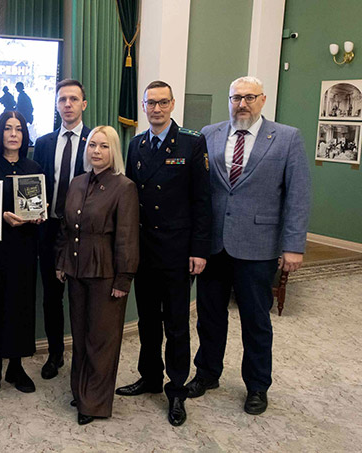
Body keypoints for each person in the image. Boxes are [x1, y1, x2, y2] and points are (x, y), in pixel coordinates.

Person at [187, 76, 311, 415]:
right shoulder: (209, 134)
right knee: (209, 316)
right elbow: (200, 191)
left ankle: (257, 385)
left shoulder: (287, 138)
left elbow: (298, 196)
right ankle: (207, 373)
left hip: (259, 246)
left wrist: (294, 246)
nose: (242, 104)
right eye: (236, 97)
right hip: (214, 244)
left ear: (263, 99)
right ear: (229, 100)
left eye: (250, 97)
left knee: (256, 321)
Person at [116, 80, 211, 427]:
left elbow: (202, 201)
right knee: (147, 320)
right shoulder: (137, 144)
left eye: (162, 102)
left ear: (172, 105)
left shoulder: (191, 142)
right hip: (144, 250)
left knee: (176, 324)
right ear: (143, 107)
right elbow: (130, 199)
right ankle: (150, 376)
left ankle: (176, 389)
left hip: (176, 251)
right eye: (150, 103)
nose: (156, 109)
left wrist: (199, 249)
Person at [55, 125, 139, 425]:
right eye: (92, 145)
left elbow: (127, 237)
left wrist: (123, 279)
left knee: (101, 340)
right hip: (76, 268)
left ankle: (94, 403)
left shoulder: (124, 187)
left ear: (113, 151)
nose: (97, 151)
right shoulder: (77, 182)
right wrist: (61, 263)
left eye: (104, 146)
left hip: (106, 273)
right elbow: (66, 228)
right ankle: (81, 391)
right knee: (80, 336)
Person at [0, 111, 44, 394]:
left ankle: (16, 366)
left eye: (19, 129)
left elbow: (39, 205)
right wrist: (2, 216)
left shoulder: (34, 167)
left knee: (21, 306)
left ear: (25, 135)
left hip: (24, 249)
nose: (13, 134)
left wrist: (38, 216)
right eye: (8, 128)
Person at [32, 79, 91, 380]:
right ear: (56, 105)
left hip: (84, 232)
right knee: (51, 297)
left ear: (83, 104)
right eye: (62, 99)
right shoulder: (43, 143)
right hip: (50, 229)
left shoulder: (95, 141)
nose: (67, 104)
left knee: (83, 298)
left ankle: (84, 357)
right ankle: (55, 354)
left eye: (73, 99)